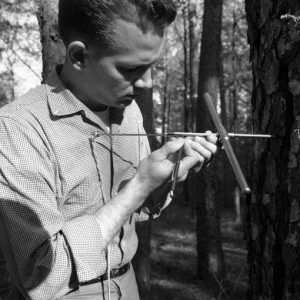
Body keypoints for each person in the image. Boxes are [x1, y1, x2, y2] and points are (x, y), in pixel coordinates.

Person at [0, 1, 218, 299]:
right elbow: (39, 275)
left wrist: (166, 177)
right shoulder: (17, 128)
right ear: (78, 56)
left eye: (151, 66)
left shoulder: (129, 112)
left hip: (127, 286)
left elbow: (135, 212)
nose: (147, 83)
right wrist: (139, 186)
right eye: (131, 69)